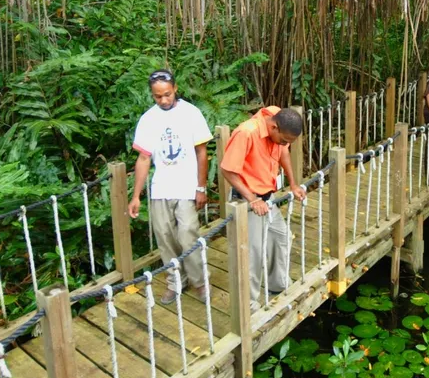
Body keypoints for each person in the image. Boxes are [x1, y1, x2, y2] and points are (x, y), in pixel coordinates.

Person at [127, 69, 213, 305]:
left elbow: (201, 152)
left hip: (186, 186)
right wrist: (136, 196)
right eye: (158, 96)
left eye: (167, 94)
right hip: (161, 188)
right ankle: (176, 281)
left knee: (188, 234)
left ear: (175, 88)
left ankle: (200, 281)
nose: (163, 100)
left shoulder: (191, 113)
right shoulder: (148, 119)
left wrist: (201, 187)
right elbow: (144, 159)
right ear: (152, 95)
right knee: (164, 238)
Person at [219, 106, 307, 310]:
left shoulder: (276, 115)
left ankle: (278, 283)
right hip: (246, 201)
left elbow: (282, 150)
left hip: (268, 197)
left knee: (281, 237)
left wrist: (293, 184)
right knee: (253, 253)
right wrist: (252, 199)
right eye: (284, 139)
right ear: (274, 127)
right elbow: (227, 169)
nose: (286, 144)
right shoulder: (246, 132)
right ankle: (248, 304)